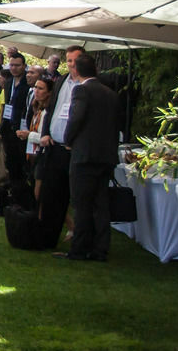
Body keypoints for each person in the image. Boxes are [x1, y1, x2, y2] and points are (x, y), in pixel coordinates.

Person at [60, 51, 121, 262]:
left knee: (82, 204)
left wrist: (68, 140)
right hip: (106, 156)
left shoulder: (81, 91)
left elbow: (75, 119)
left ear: (76, 70)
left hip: (85, 155)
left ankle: (80, 248)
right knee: (101, 204)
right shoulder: (111, 94)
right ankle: (101, 248)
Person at [21, 72, 71, 249]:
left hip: (46, 155)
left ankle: (69, 226)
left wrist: (29, 135)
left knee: (40, 194)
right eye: (36, 87)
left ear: (50, 92)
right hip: (35, 154)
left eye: (41, 88)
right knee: (38, 194)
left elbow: (45, 136)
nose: (36, 91)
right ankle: (44, 225)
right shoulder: (37, 109)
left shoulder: (49, 112)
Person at [0, 52, 34, 210]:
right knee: (11, 165)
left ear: (24, 66)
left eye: (17, 65)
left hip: (22, 128)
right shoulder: (8, 82)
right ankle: (14, 198)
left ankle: (25, 198)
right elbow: (6, 104)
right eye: (11, 65)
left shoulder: (28, 83)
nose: (14, 68)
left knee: (22, 166)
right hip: (8, 128)